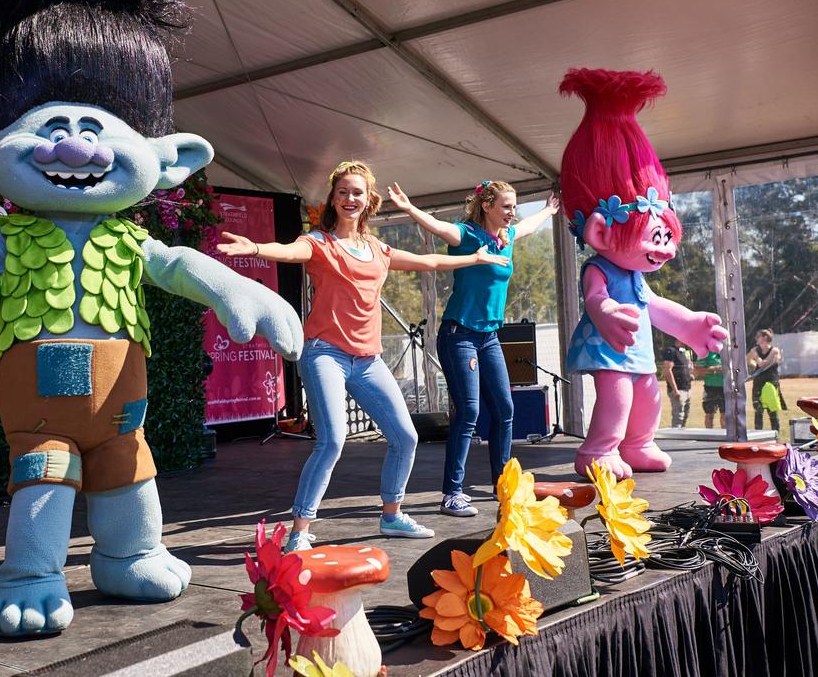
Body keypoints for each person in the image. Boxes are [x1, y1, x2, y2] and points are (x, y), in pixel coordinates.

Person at [217, 161, 509, 551]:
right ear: (334, 199)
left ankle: (392, 516)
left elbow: (429, 262)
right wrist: (253, 247)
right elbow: (288, 252)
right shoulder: (318, 243)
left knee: (406, 437)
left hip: (368, 359)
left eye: (357, 193)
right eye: (343, 192)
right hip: (325, 354)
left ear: (368, 200)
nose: (350, 198)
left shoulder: (375, 248)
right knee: (333, 441)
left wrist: (475, 259)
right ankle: (299, 531)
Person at [558, 68, 728, 479]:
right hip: (609, 347)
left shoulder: (635, 276)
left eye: (666, 234)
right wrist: (605, 312)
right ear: (600, 230)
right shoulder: (597, 267)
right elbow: (595, 298)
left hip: (636, 351)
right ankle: (598, 450)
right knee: (615, 397)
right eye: (655, 235)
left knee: (648, 395)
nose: (665, 248)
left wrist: (687, 324)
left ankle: (638, 444)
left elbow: (652, 303)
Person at [386, 180, 559, 517]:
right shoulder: (467, 236)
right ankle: (452, 492)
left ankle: (502, 483)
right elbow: (437, 227)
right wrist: (409, 208)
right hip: (459, 335)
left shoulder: (505, 238)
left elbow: (526, 227)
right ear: (487, 207)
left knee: (506, 408)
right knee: (469, 412)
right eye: (506, 207)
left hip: (489, 337)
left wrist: (548, 211)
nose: (512, 213)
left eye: (514, 206)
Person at [748, 329, 786, 431]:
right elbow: (751, 360)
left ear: (765, 337)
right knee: (758, 411)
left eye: (758, 336)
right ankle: (758, 433)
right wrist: (753, 362)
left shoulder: (774, 350)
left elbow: (762, 363)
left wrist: (756, 358)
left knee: (772, 411)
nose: (756, 338)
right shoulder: (754, 350)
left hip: (771, 383)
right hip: (758, 383)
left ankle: (776, 435)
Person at [660, 340, 693, 428]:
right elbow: (667, 370)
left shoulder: (683, 352)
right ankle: (676, 439)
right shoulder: (671, 351)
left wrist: (690, 375)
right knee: (678, 417)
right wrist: (675, 390)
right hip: (678, 390)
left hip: (687, 388)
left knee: (685, 415)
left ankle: (682, 436)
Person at [695, 350, 725, 429]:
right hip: (710, 387)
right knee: (709, 414)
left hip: (725, 387)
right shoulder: (705, 351)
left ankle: (725, 435)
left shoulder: (727, 351)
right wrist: (715, 369)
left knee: (725, 414)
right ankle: (709, 435)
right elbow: (699, 370)